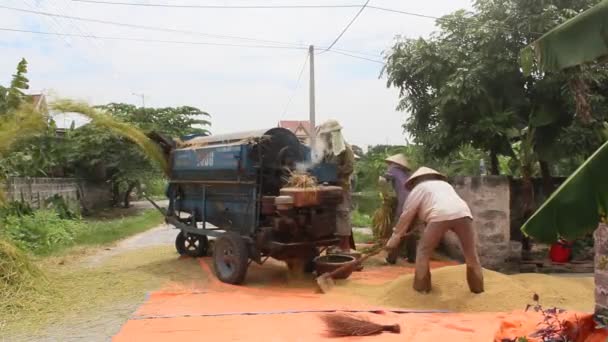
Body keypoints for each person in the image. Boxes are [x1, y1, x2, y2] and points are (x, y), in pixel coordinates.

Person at [385, 167, 484, 294]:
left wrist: (395, 237)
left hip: (438, 216)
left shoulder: (418, 188)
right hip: (464, 214)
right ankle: (478, 291)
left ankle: (422, 290)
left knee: (422, 252)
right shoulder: (445, 185)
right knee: (471, 254)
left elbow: (407, 214)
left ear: (415, 181)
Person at [317, 120, 356, 254]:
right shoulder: (327, 150)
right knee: (330, 215)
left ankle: (344, 246)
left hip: (341, 187)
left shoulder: (345, 149)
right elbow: (319, 164)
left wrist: (334, 172)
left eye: (328, 134)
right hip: (328, 187)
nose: (326, 137)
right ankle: (334, 244)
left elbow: (349, 167)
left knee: (342, 214)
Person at [379, 154, 417, 264]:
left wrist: (384, 195)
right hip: (415, 200)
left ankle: (391, 258)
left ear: (393, 163)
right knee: (410, 230)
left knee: (398, 229)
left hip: (404, 203)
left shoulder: (393, 169)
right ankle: (412, 257)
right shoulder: (407, 174)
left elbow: (382, 180)